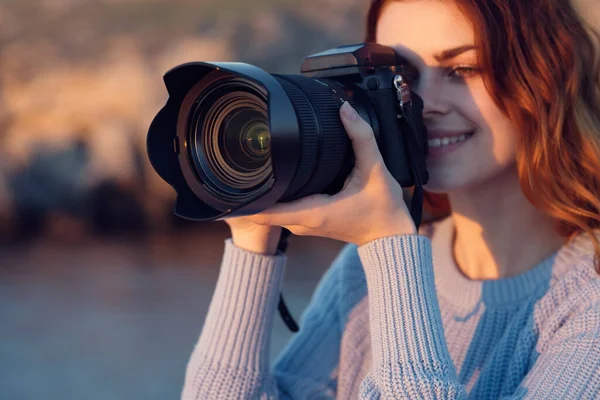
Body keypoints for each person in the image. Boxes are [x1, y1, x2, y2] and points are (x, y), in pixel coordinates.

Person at [181, 0, 600, 398]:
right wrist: (253, 237)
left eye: (462, 69)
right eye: (402, 77)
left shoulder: (587, 299)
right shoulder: (368, 270)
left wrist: (390, 247)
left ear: (546, 74)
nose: (423, 105)